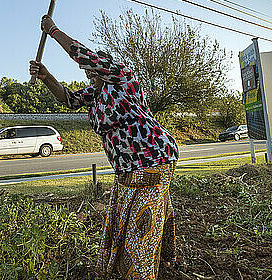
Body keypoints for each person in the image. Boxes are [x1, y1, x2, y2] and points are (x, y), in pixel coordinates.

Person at [29, 15, 179, 279]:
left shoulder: (122, 78)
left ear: (103, 68)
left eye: (93, 69)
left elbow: (83, 56)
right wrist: (46, 76)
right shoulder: (96, 94)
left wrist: (53, 31)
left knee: (140, 234)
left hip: (153, 163)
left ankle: (144, 272)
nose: (88, 73)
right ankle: (166, 261)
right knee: (121, 225)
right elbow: (69, 99)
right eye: (87, 72)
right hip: (127, 172)